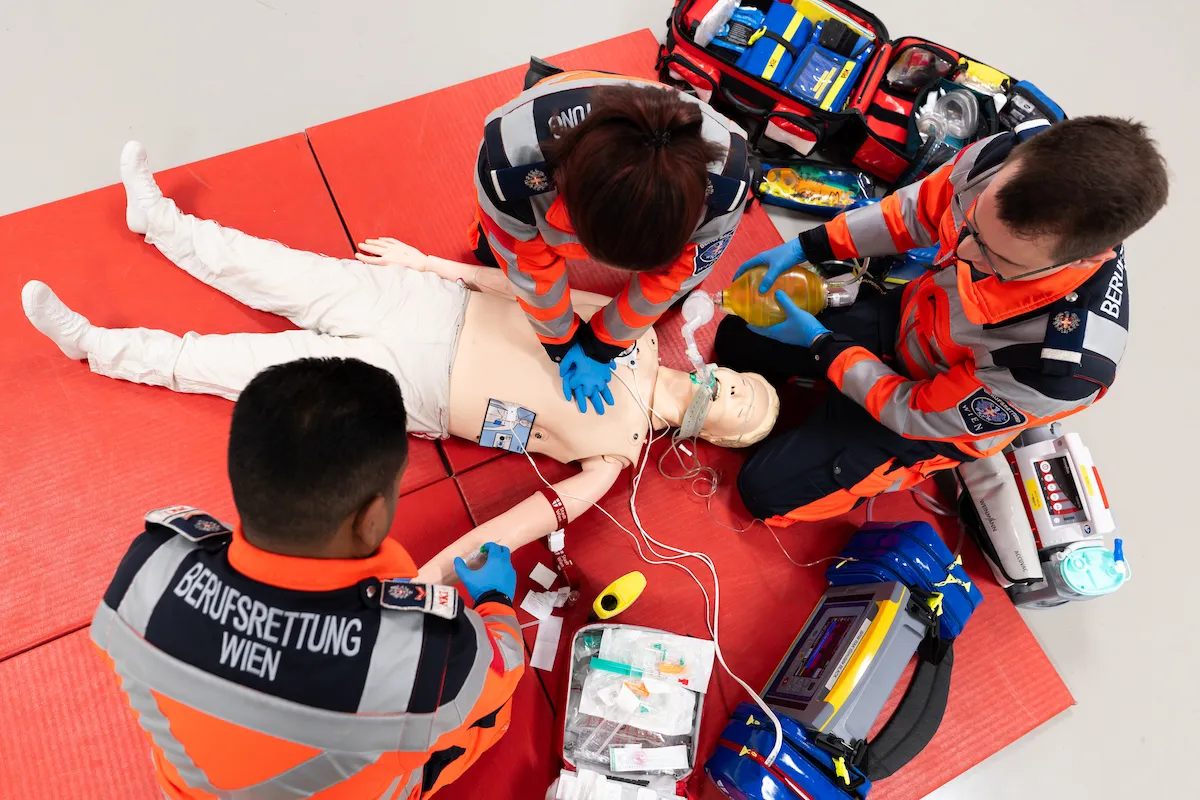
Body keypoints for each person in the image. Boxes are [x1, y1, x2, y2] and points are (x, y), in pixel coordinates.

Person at [23, 142, 778, 580]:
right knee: (273, 269)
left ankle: (94, 346)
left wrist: (426, 581)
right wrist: (430, 267)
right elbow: (529, 287)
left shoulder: (614, 459)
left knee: (242, 369)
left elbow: (514, 526)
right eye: (748, 384)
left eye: (744, 408)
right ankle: (157, 221)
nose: (737, 390)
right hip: (429, 310)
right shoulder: (639, 331)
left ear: (719, 439)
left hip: (412, 389)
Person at [90, 356, 525, 798]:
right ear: (372, 518)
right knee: (488, 717)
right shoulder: (426, 653)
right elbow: (505, 665)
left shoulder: (150, 567)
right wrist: (495, 598)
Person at [716, 116, 1168, 525]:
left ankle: (881, 467)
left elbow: (913, 411)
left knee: (763, 494)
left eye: (997, 257)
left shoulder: (1060, 368)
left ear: (1089, 257)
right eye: (971, 226)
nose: (960, 253)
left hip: (927, 414)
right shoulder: (1001, 160)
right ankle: (829, 385)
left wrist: (823, 345)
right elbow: (914, 212)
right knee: (736, 337)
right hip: (912, 319)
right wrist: (810, 247)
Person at [471, 64, 751, 415]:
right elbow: (530, 270)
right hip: (555, 114)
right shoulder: (509, 169)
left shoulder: (725, 188)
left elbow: (672, 279)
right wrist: (561, 340)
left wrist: (602, 345)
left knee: (671, 297)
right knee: (493, 250)